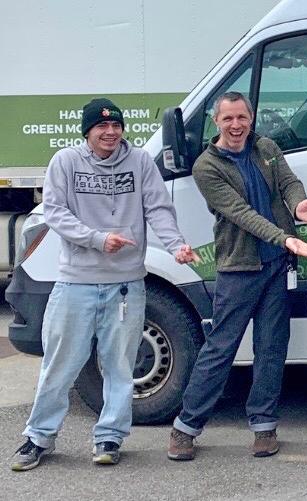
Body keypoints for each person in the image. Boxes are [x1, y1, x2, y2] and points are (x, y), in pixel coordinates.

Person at [10, 98, 198, 471]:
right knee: (60, 365)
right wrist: (97, 239)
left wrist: (176, 245)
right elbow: (56, 213)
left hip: (127, 284)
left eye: (116, 126)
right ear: (88, 131)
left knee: (120, 365)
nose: (110, 132)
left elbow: (157, 207)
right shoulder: (65, 162)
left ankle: (110, 436)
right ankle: (37, 438)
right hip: (75, 283)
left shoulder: (140, 162)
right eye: (101, 127)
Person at [168, 91, 307, 461]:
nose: (236, 125)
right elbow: (240, 213)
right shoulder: (206, 166)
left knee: (271, 348)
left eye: (242, 117)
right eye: (228, 119)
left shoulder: (267, 147)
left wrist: (298, 204)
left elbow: (288, 183)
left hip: (277, 266)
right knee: (220, 349)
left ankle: (263, 427)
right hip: (239, 268)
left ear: (251, 116)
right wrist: (287, 237)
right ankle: (186, 428)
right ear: (216, 122)